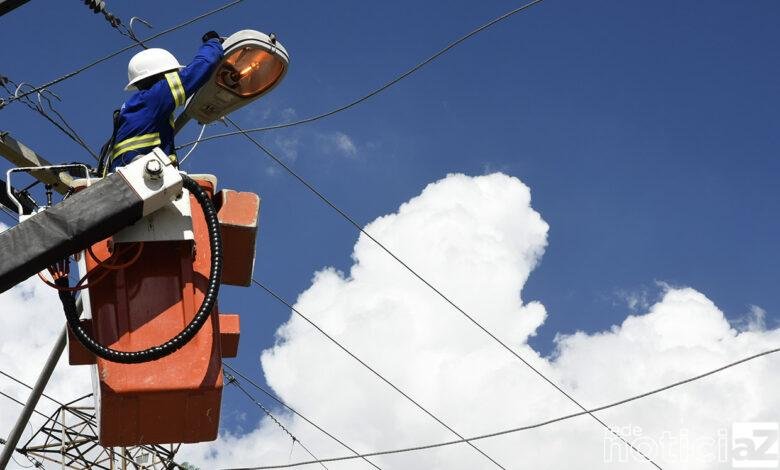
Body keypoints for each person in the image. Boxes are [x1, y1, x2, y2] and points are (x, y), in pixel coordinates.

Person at [102, 31, 224, 174]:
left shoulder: (138, 106)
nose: (175, 77)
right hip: (142, 179)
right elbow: (202, 66)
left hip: (129, 179)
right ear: (161, 76)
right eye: (172, 73)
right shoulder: (155, 96)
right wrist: (213, 42)